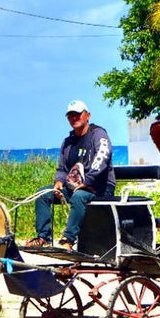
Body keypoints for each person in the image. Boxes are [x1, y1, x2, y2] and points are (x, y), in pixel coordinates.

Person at [26, 100, 115, 250]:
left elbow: (102, 158)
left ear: (87, 115)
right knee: (42, 194)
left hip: (99, 186)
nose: (74, 118)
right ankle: (43, 237)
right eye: (71, 115)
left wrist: (87, 182)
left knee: (79, 196)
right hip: (74, 187)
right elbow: (62, 168)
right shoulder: (68, 142)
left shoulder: (99, 134)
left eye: (78, 114)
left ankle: (67, 240)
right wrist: (59, 183)